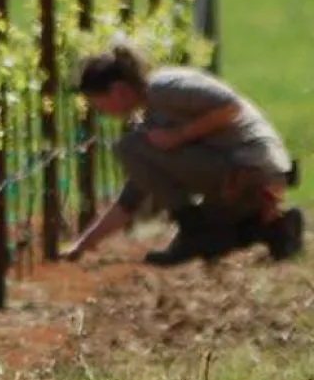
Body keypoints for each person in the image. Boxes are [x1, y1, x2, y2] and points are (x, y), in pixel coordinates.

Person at [64, 46, 304, 266]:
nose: (101, 112)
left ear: (118, 91)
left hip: (249, 167)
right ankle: (276, 229)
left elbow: (231, 106)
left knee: (128, 146)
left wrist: (179, 135)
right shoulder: (150, 116)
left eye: (99, 104)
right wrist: (84, 243)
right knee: (215, 238)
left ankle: (193, 230)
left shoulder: (164, 88)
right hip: (246, 171)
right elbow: (132, 196)